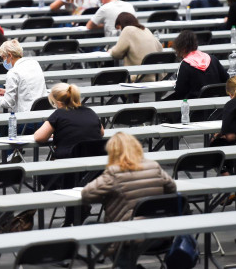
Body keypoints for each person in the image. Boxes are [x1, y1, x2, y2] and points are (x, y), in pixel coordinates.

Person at [82, 132, 176, 260]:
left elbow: (87, 194)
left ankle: (123, 263)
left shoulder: (114, 172)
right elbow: (172, 189)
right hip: (161, 235)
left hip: (129, 238)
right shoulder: (154, 166)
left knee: (89, 225)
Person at [34, 83, 104, 159]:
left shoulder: (58, 114)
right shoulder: (90, 112)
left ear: (59, 103)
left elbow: (39, 137)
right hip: (94, 160)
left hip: (68, 160)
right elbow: (101, 133)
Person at [0, 39, 47, 125]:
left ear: (9, 55)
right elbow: (30, 87)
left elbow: (7, 103)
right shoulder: (34, 63)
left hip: (26, 120)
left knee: (1, 128)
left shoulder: (13, 72)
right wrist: (7, 91)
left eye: (3, 58)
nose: (3, 61)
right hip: (44, 117)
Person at [168, 30, 229, 100]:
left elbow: (180, 91)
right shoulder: (212, 58)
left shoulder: (185, 65)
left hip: (195, 105)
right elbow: (227, 79)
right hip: (217, 101)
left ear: (182, 49)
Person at [109, 13, 163, 82]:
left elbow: (116, 53)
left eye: (118, 28)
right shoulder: (146, 29)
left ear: (121, 24)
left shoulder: (127, 30)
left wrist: (111, 50)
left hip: (136, 77)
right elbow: (160, 48)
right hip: (155, 77)